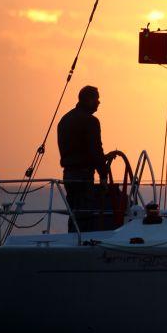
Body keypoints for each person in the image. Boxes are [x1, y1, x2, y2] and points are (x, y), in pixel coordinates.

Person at [57, 85, 108, 232]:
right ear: (88, 99)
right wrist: (103, 174)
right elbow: (96, 150)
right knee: (86, 214)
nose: (99, 102)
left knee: (74, 214)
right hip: (83, 176)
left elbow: (77, 149)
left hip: (68, 175)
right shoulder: (91, 121)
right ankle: (84, 244)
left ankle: (72, 240)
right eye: (96, 99)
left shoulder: (64, 120)